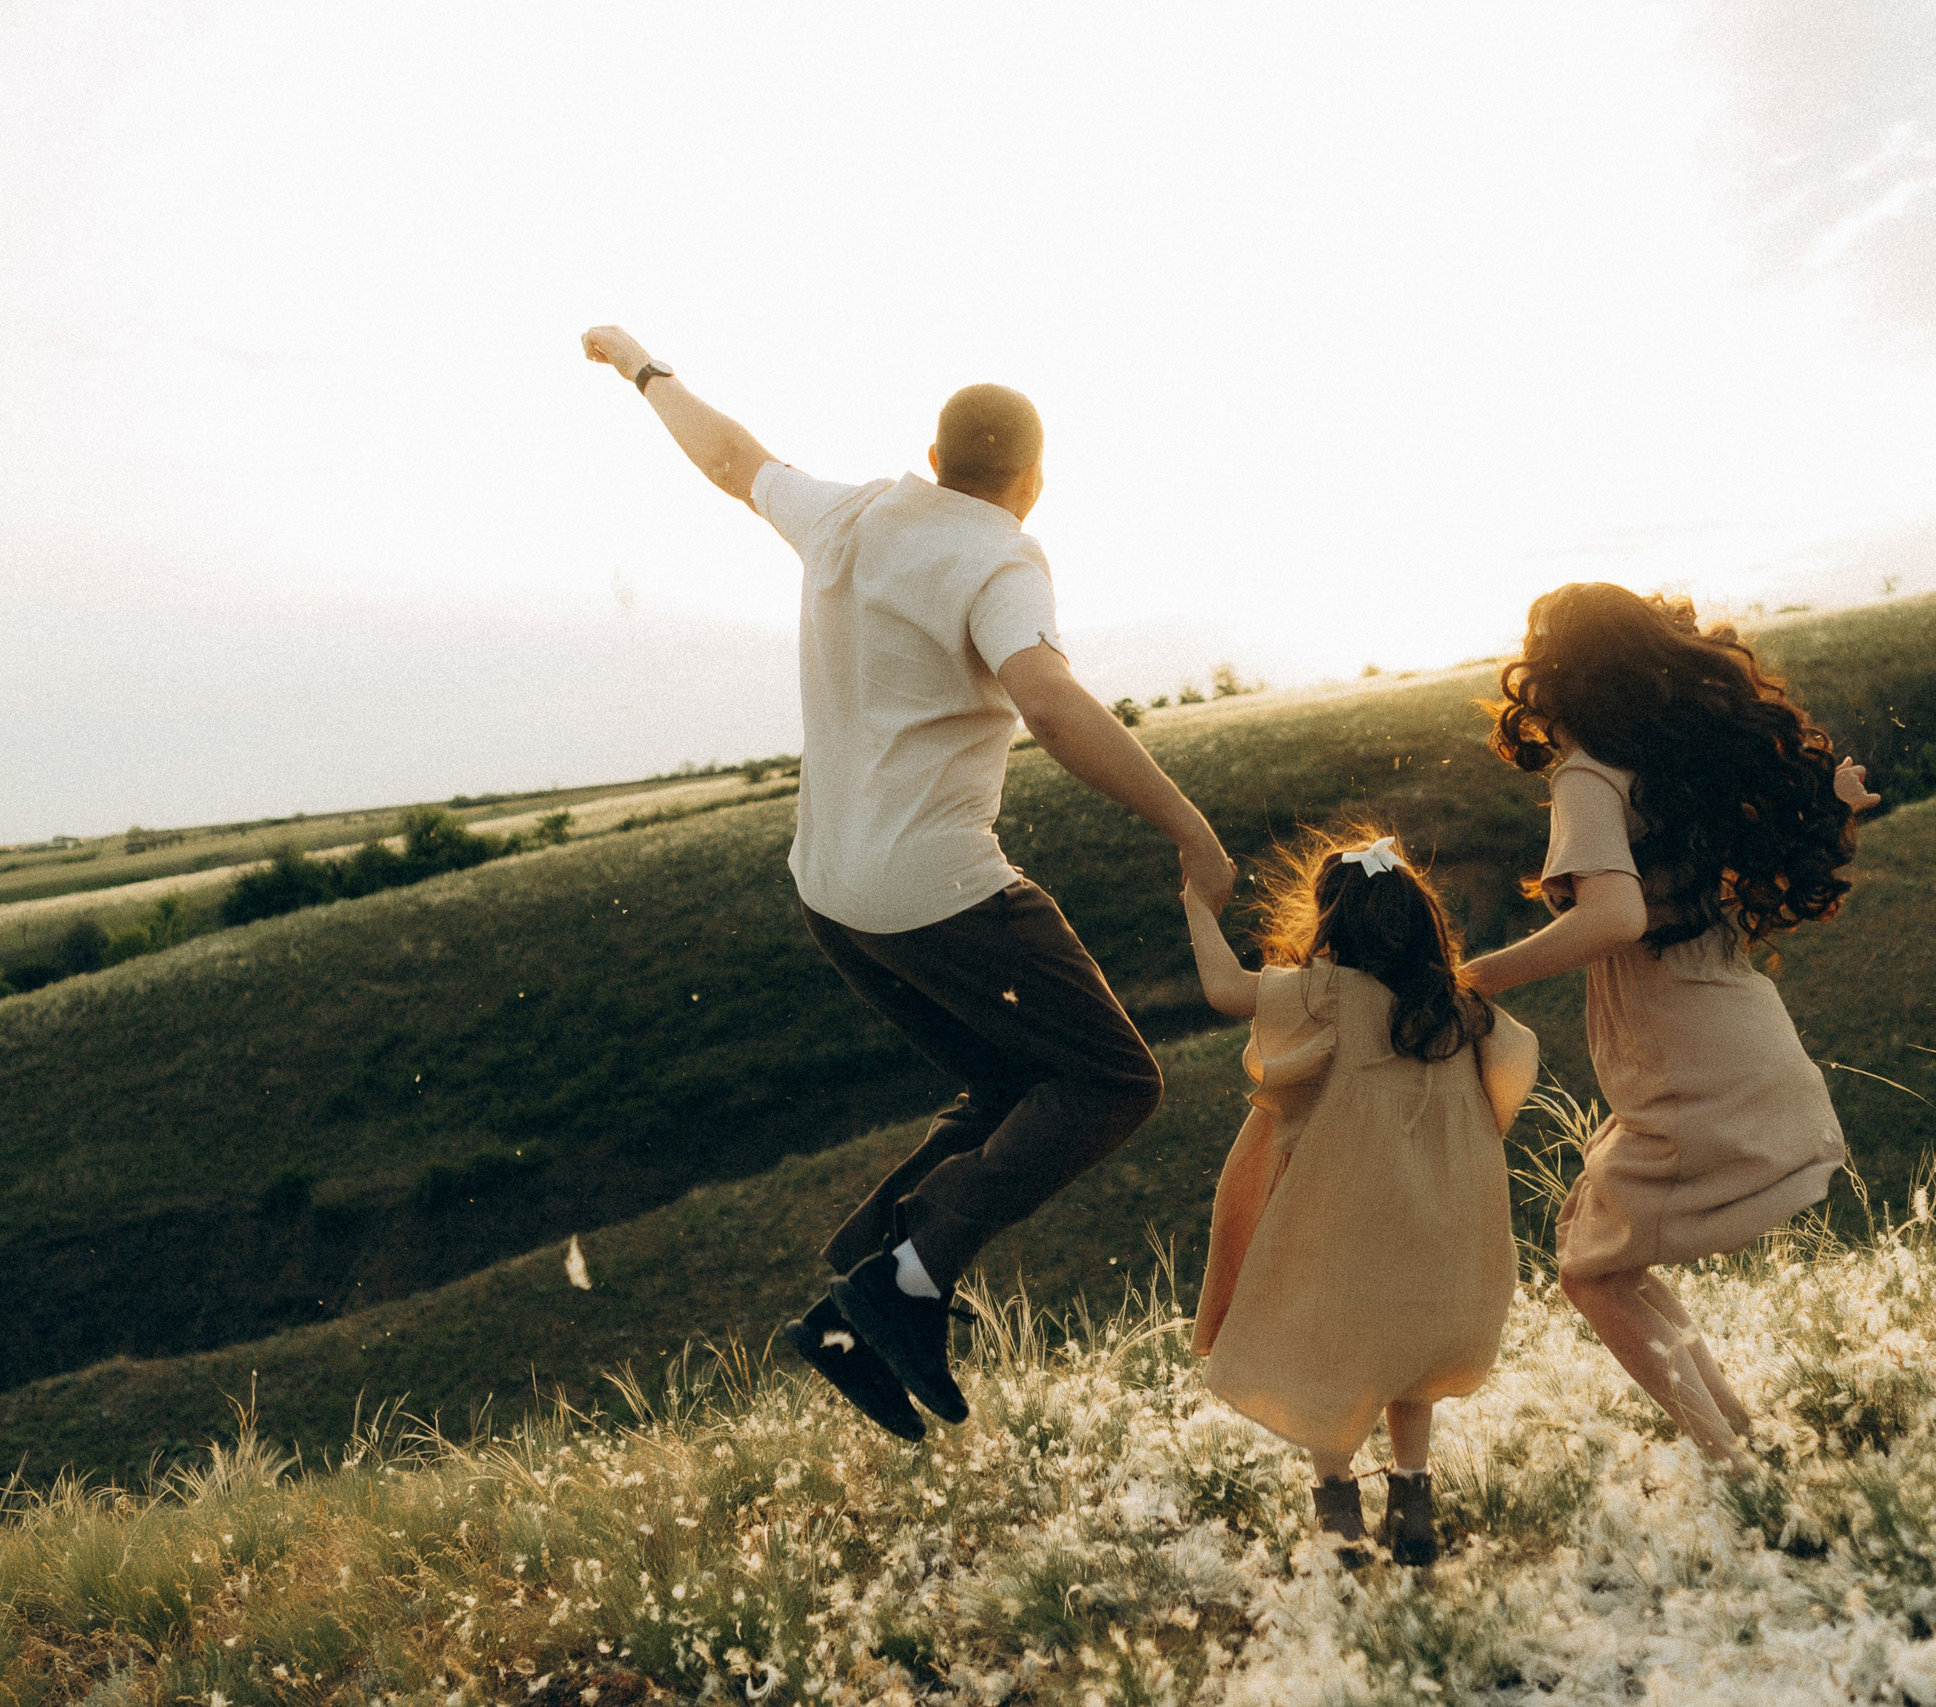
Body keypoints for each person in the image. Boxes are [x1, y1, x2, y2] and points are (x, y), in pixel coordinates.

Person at [581, 326, 1236, 1441]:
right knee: (1112, 1081)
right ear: (1031, 483)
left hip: (830, 889)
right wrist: (1189, 829)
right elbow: (1053, 703)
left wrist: (643, 369)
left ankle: (871, 1278)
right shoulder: (1002, 557)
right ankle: (899, 1284)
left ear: (930, 458)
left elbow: (729, 457)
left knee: (1006, 1092)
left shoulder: (852, 512)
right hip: (939, 891)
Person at [1459, 583, 1879, 1472]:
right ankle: (1743, 1437)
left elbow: (1613, 916)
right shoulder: (1675, 762)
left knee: (1589, 1272)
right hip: (1735, 1030)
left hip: (1687, 1054)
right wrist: (1831, 800)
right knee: (1595, 1251)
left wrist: (1480, 975)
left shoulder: (1587, 772)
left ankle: (1728, 1458)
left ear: (1558, 673)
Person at [1182, 826, 1539, 1564]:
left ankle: (1339, 1517)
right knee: (1409, 1359)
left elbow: (1224, 989)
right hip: (1443, 1238)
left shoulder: (1329, 995)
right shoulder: (1458, 1009)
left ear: (1333, 921)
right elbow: (1506, 1084)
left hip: (1351, 1230)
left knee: (1330, 1354)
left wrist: (1196, 904)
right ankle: (1413, 1500)